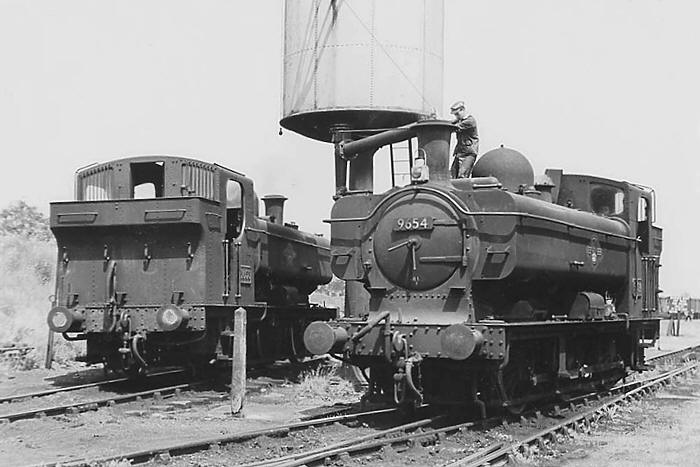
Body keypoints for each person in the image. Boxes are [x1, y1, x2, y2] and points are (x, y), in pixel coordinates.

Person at [449, 100, 479, 178]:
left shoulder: (470, 121)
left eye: (457, 114)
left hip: (468, 153)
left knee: (462, 177)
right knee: (451, 176)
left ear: (462, 110)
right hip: (459, 153)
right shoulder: (461, 120)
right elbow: (451, 123)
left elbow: (453, 127)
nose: (456, 116)